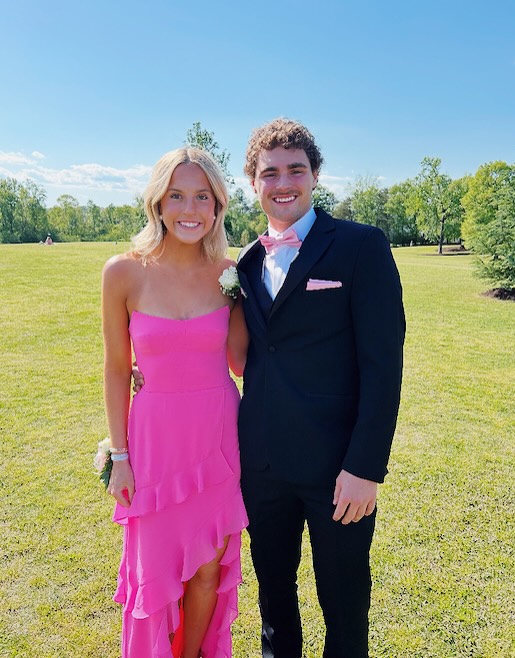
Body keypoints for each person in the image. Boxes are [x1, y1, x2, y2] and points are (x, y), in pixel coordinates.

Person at [235, 118, 405, 658]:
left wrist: (365, 468)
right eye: (270, 173)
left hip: (338, 470)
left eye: (296, 170)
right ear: (253, 182)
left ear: (315, 175)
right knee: (273, 600)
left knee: (344, 603)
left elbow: (383, 366)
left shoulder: (360, 245)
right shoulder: (245, 262)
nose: (283, 183)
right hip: (262, 466)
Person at [102, 147, 248, 658]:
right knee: (157, 571)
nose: (190, 209)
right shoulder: (123, 272)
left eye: (202, 197)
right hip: (154, 442)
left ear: (217, 206)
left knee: (208, 568)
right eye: (177, 196)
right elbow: (116, 369)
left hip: (217, 437)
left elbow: (241, 362)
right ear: (158, 203)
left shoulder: (231, 274)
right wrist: (120, 456)